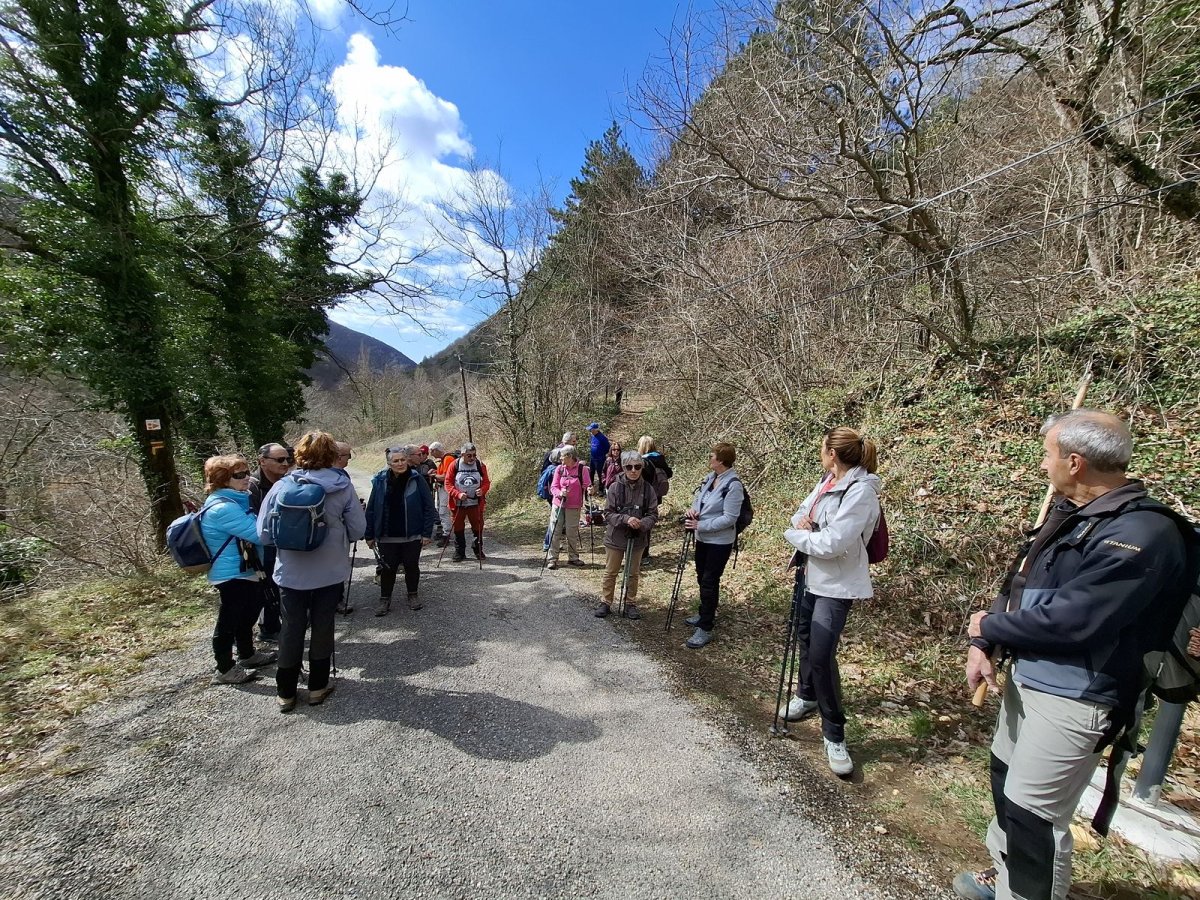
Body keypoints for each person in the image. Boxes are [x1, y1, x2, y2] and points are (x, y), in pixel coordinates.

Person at [953, 410, 1192, 900]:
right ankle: (1005, 876)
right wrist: (985, 642)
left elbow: (1076, 620)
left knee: (1034, 817)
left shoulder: (1144, 533)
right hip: (1028, 677)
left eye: (1048, 455)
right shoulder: (1072, 515)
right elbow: (1019, 585)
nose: (1044, 465)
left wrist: (989, 626)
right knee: (1007, 787)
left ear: (1076, 462)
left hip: (1078, 697)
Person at [779, 427, 882, 777]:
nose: (821, 453)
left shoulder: (861, 491)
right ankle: (807, 695)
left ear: (832, 453)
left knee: (822, 654)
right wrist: (800, 523)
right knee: (806, 641)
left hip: (837, 586)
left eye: (823, 448)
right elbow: (801, 512)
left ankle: (834, 733)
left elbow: (834, 542)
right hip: (810, 577)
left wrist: (794, 535)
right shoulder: (827, 481)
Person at [257, 430, 365, 712]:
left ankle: (285, 692)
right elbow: (358, 529)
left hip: (290, 573)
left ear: (299, 455)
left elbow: (264, 534)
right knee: (323, 625)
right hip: (330, 571)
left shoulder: (282, 486)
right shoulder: (342, 486)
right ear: (331, 455)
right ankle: (318, 686)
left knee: (291, 627)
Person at [201, 455, 276, 684]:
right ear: (223, 479)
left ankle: (247, 655)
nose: (246, 478)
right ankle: (224, 669)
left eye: (247, 472)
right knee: (229, 621)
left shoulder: (235, 501)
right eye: (239, 475)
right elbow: (259, 535)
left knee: (248, 613)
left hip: (243, 570)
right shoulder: (223, 508)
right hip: (230, 574)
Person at [682, 442, 745, 650]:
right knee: (702, 577)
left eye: (712, 456)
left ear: (721, 460)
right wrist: (693, 511)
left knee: (709, 580)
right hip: (702, 538)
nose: (709, 459)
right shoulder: (711, 478)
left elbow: (730, 518)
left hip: (720, 542)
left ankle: (705, 627)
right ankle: (704, 613)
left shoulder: (733, 485)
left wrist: (701, 525)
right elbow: (698, 500)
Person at [364, 444, 438, 615]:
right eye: (396, 461)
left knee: (412, 566)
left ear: (407, 460)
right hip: (387, 534)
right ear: (389, 464)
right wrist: (369, 534)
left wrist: (426, 533)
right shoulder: (380, 480)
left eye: (403, 460)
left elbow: (428, 507)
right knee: (387, 568)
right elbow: (372, 508)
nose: (400, 463)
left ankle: (413, 595)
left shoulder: (417, 479)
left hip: (412, 534)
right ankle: (384, 599)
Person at [596, 450, 659, 619]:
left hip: (638, 538)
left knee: (633, 573)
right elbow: (608, 513)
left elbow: (653, 514)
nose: (633, 470)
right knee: (611, 572)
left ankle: (630, 603)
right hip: (615, 537)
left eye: (637, 466)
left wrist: (641, 523)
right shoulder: (615, 487)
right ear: (623, 468)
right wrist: (626, 519)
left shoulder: (648, 489)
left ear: (642, 467)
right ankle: (605, 602)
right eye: (629, 467)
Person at [248, 442, 293, 642]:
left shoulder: (287, 482)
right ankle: (267, 629)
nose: (285, 463)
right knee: (264, 588)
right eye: (280, 459)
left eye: (287, 459)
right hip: (261, 547)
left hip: (283, 545)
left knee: (279, 586)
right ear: (262, 461)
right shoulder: (252, 487)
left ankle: (278, 624)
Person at [546, 445, 591, 570]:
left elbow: (588, 485)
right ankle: (552, 559)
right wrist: (560, 493)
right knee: (555, 530)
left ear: (570, 456)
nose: (560, 458)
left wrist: (590, 489)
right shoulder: (559, 469)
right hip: (558, 504)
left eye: (562, 456)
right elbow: (553, 487)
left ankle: (573, 558)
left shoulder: (582, 469)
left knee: (572, 532)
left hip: (574, 505)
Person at [445, 442, 490, 562]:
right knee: (458, 527)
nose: (472, 458)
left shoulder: (480, 465)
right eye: (469, 455)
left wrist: (482, 490)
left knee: (478, 527)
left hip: (475, 503)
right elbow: (448, 483)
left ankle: (478, 550)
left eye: (474, 455)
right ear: (462, 455)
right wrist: (458, 494)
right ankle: (459, 552)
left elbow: (486, 482)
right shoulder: (454, 465)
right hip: (458, 504)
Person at [636, 435, 672, 559]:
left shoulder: (643, 461)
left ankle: (640, 553)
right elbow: (669, 473)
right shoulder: (659, 459)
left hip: (642, 497)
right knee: (648, 523)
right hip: (656, 496)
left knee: (639, 522)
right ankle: (645, 553)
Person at [430, 443, 454, 542]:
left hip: (446, 488)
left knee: (443, 511)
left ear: (436, 450)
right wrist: (436, 473)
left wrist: (434, 476)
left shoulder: (447, 459)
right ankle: (446, 532)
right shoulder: (444, 460)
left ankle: (446, 534)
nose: (431, 454)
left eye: (432, 451)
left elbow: (445, 477)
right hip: (442, 488)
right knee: (442, 511)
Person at [587, 423, 610, 496]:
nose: (590, 431)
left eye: (591, 429)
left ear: (596, 430)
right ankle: (591, 487)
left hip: (600, 459)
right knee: (591, 473)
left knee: (600, 474)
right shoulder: (592, 436)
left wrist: (601, 454)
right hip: (592, 458)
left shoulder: (602, 438)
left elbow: (608, 448)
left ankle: (601, 489)